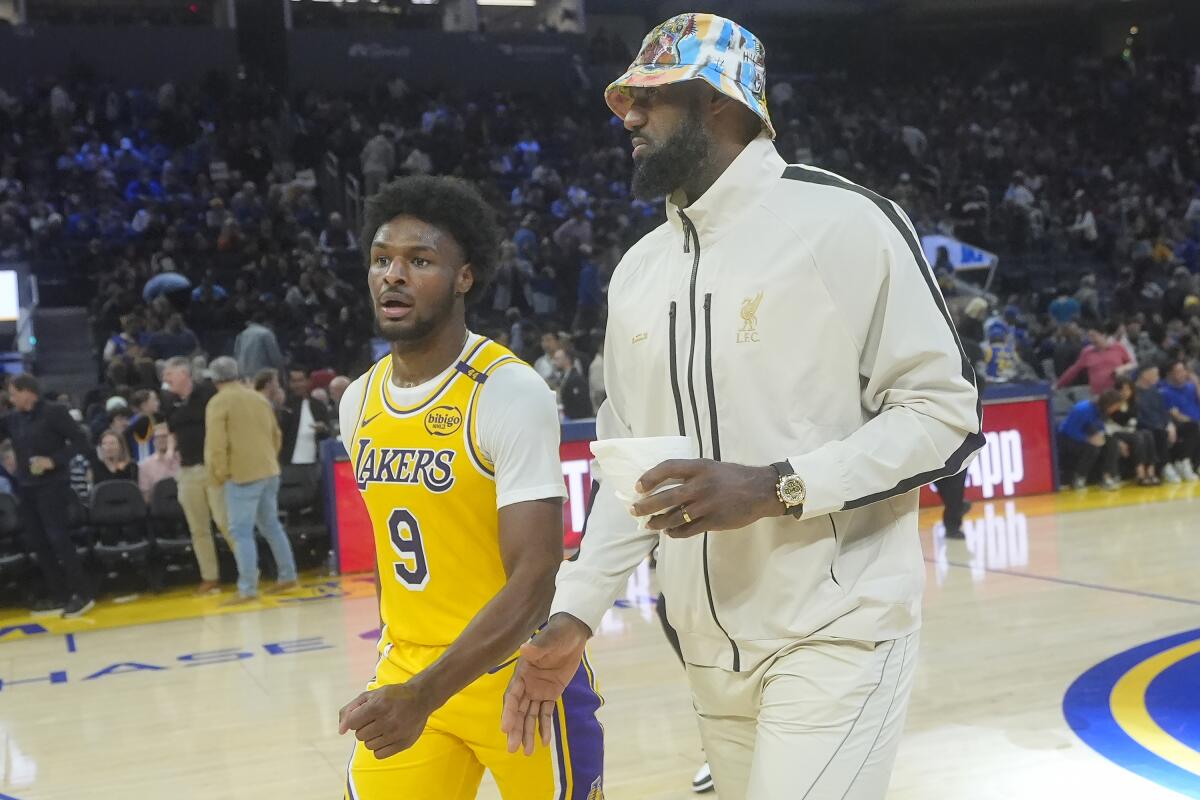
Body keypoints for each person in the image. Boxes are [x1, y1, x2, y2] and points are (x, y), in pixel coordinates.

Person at [501, 16, 983, 800]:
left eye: (651, 99)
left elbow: (945, 414)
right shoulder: (637, 271)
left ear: (723, 102)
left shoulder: (844, 222)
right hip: (704, 651)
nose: (628, 117)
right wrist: (576, 614)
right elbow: (634, 473)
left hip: (839, 632)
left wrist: (774, 486)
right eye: (627, 100)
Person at [336, 176, 602, 798]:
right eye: (382, 260)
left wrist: (423, 694)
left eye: (419, 260)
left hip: (518, 676)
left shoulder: (507, 392)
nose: (393, 275)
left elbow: (536, 579)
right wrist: (411, 683)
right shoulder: (359, 400)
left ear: (464, 277)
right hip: (408, 666)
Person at [204, 356, 299, 604]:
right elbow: (276, 434)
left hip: (241, 475)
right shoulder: (258, 398)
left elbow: (216, 444)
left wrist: (221, 472)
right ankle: (287, 575)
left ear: (213, 378)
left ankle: (247, 588)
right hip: (269, 469)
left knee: (241, 532)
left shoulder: (218, 403)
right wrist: (268, 459)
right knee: (271, 526)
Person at [0, 375, 93, 617]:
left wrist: (54, 460)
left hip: (53, 485)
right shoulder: (12, 419)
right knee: (39, 542)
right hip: (26, 488)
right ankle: (60, 595)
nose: (10, 399)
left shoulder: (54, 412)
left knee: (59, 539)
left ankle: (81, 594)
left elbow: (81, 440)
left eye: (13, 393)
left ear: (27, 392)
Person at [163, 356, 233, 596]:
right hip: (187, 470)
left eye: (169, 375)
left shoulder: (208, 393)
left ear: (184, 374)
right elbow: (171, 431)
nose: (166, 379)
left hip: (212, 468)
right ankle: (209, 577)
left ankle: (248, 570)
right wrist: (171, 450)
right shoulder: (169, 401)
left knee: (226, 523)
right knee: (198, 528)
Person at [1058, 390, 1124, 491]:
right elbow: (1069, 430)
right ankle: (1079, 478)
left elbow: (1100, 427)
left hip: (1088, 434)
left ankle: (1107, 477)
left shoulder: (1103, 411)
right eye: (1116, 405)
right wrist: (1087, 439)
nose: (1117, 408)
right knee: (1093, 448)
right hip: (1068, 438)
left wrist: (1100, 436)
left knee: (1112, 442)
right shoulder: (1082, 409)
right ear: (1109, 403)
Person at [1054, 320, 1134, 395]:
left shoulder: (1118, 347)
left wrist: (1123, 368)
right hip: (1097, 395)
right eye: (1089, 336)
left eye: (1093, 336)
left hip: (1118, 392)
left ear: (1103, 335)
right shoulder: (1087, 352)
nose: (1091, 339)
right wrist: (1058, 385)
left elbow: (1132, 364)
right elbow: (1073, 370)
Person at [1133, 364, 1182, 483]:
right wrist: (1159, 426)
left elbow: (1163, 410)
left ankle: (1184, 462)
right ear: (1144, 375)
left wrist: (1169, 424)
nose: (1158, 377)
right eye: (1155, 374)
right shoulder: (1134, 393)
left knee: (1191, 427)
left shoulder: (1154, 391)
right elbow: (1137, 417)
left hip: (1161, 425)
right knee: (1160, 432)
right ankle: (1165, 466)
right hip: (1144, 427)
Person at [1108, 376, 1160, 486]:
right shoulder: (1112, 405)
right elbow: (1120, 421)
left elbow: (1133, 423)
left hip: (1130, 432)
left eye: (1128, 390)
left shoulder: (1133, 404)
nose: (1125, 393)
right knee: (1138, 437)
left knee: (1148, 434)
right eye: (1121, 390)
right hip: (1115, 433)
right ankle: (1139, 473)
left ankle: (1150, 471)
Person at [280, 367, 332, 467]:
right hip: (288, 465)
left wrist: (323, 429)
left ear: (308, 381)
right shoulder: (284, 406)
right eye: (294, 381)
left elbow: (328, 434)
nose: (298, 385)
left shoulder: (318, 406)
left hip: (314, 465)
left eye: (301, 380)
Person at [1159, 359, 1200, 480]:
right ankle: (1183, 461)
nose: (1181, 374)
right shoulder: (1165, 392)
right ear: (1170, 374)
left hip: (1195, 422)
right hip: (1182, 425)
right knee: (1194, 427)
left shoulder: (1192, 387)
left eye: (1183, 371)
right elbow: (1175, 414)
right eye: (1177, 371)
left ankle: (1196, 464)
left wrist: (1197, 382)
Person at [232, 312, 285, 379]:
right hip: (262, 375)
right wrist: (281, 373)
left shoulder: (242, 334)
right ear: (267, 322)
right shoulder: (266, 333)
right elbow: (275, 357)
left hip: (243, 375)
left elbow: (236, 356)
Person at [138, 423, 181, 503]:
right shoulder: (144, 465)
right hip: (159, 509)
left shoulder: (184, 461)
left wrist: (170, 452)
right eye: (157, 437)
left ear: (174, 439)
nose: (160, 440)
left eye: (164, 436)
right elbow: (145, 497)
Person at [555, 348, 593, 420]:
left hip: (578, 421)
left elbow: (581, 404)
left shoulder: (576, 379)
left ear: (567, 359)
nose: (554, 362)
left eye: (557, 359)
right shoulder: (562, 378)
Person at [125, 388, 161, 462]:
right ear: (144, 405)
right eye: (154, 400)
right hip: (144, 463)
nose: (158, 402)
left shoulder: (143, 418)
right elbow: (123, 435)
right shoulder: (143, 420)